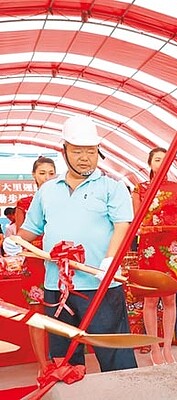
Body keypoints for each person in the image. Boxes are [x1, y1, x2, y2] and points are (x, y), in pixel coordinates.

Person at [3, 115, 137, 371]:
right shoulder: (48, 190)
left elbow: (123, 225)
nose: (85, 157)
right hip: (56, 288)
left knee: (115, 357)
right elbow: (30, 229)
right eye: (77, 151)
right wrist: (15, 242)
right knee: (66, 360)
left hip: (100, 285)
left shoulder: (112, 187)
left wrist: (110, 260)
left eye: (91, 151)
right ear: (64, 151)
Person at [132, 147, 177, 365]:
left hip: (171, 247)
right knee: (151, 299)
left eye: (165, 160)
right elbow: (135, 222)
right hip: (149, 248)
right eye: (157, 160)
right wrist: (145, 229)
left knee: (170, 298)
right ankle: (154, 348)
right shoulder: (140, 189)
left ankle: (167, 347)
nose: (161, 163)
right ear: (150, 163)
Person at [16, 156, 56, 376]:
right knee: (37, 315)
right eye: (42, 173)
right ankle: (43, 364)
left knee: (61, 313)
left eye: (51, 173)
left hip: (59, 264)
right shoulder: (24, 203)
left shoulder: (63, 201)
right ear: (34, 175)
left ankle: (62, 359)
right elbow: (22, 238)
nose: (47, 177)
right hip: (34, 264)